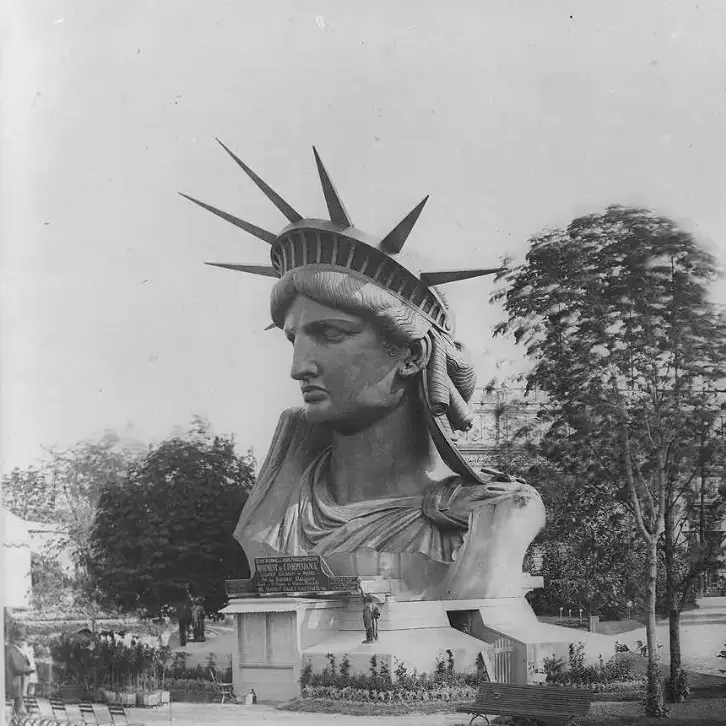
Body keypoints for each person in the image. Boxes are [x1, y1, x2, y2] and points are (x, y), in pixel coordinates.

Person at [183, 143, 545, 599]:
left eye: (330, 334)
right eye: (294, 339)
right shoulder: (280, 503)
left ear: (411, 357)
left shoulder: (491, 511)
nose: (299, 367)